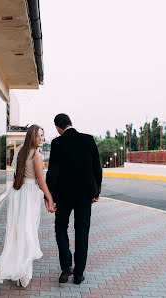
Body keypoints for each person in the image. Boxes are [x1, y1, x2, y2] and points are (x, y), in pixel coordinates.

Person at [0, 125, 56, 287]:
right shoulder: (37, 155)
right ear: (31, 137)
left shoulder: (20, 150)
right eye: (38, 136)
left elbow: (16, 175)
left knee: (18, 231)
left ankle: (20, 270)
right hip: (29, 194)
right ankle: (24, 274)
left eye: (43, 135)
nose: (41, 138)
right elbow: (40, 180)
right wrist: (49, 197)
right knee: (28, 231)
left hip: (18, 193)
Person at [45, 113, 102, 285]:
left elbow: (53, 171)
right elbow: (97, 168)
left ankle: (66, 267)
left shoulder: (57, 143)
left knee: (60, 227)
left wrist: (49, 196)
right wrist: (96, 191)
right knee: (82, 231)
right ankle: (79, 274)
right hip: (85, 195)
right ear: (71, 123)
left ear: (57, 127)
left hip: (63, 196)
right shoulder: (88, 140)